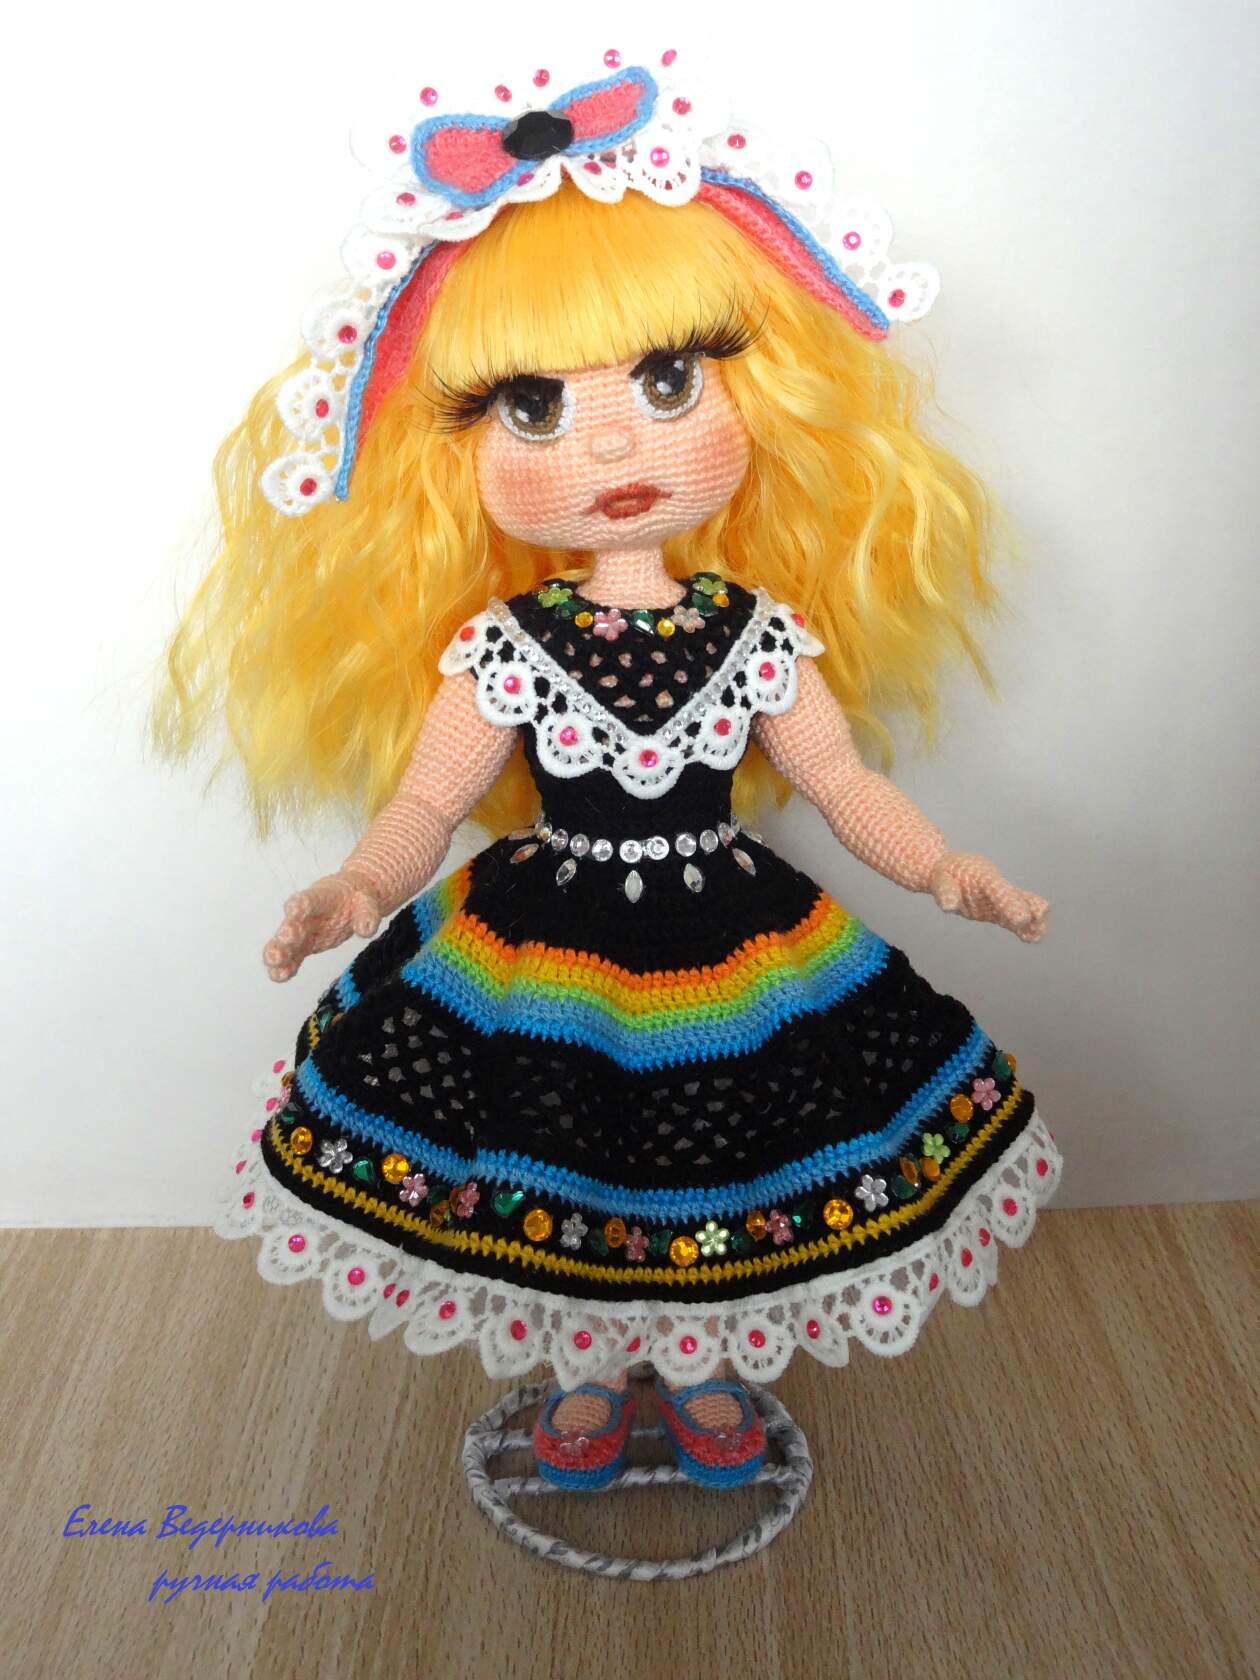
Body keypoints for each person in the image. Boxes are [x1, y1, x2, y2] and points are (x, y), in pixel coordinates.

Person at [153, 51, 1063, 1492]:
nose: (617, 441)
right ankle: (585, 1369)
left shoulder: (757, 634)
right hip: (543, 950)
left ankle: (697, 1369)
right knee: (561, 1159)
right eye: (534, 406)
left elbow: (838, 781)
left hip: (732, 946)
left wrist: (943, 867)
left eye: (667, 379)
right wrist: (359, 887)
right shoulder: (506, 647)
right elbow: (428, 802)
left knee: (710, 1161)